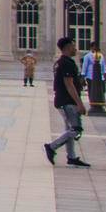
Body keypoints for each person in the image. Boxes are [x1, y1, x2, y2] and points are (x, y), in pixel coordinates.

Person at [43, 35, 91, 167]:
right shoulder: (67, 63)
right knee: (76, 129)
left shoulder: (61, 62)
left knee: (69, 130)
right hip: (67, 101)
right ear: (68, 47)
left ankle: (71, 157)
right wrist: (79, 103)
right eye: (74, 46)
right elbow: (69, 84)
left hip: (62, 99)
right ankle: (52, 147)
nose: (76, 49)